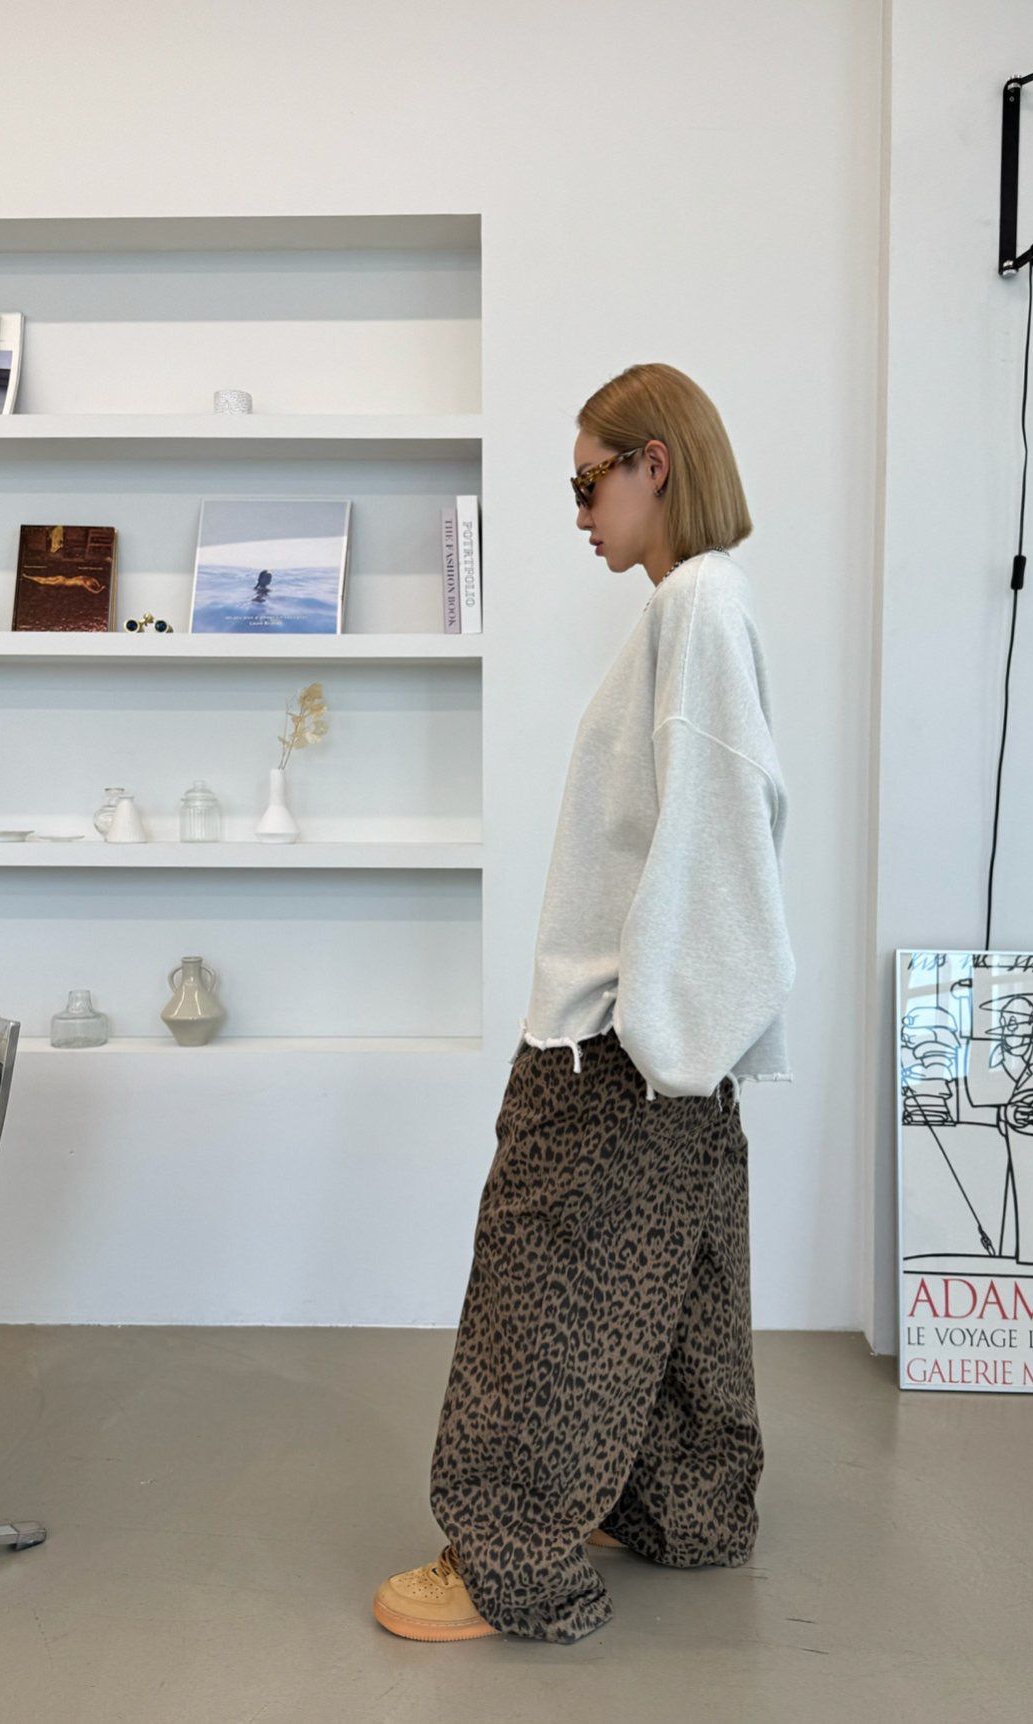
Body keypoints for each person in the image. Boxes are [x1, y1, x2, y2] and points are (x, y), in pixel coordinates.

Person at [372, 361, 796, 1644]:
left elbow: (718, 833)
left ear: (652, 464)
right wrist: (688, 1041)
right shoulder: (692, 606)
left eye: (583, 482)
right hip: (664, 1036)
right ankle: (685, 1504)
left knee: (544, 1284)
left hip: (617, 1036)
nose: (575, 512)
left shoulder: (698, 606)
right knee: (679, 1274)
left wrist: (652, 1026)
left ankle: (504, 1556)